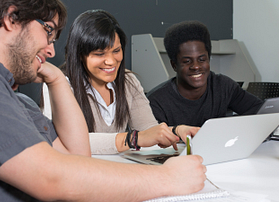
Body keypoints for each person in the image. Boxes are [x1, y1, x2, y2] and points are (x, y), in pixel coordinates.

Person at [0, 0, 206, 202]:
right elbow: (51, 176)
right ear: (11, 18)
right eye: (48, 31)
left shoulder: (14, 100)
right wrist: (168, 179)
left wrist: (57, 80)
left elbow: (76, 155)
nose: (50, 49)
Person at [43, 9, 200, 155]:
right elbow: (63, 142)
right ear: (79, 55)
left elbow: (148, 130)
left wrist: (175, 132)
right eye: (99, 54)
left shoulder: (128, 80)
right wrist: (133, 139)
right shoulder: (59, 84)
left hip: (116, 170)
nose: (111, 61)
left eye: (116, 51)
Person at [147, 20, 264, 127]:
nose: (196, 66)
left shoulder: (223, 85)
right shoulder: (156, 101)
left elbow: (260, 110)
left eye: (202, 59)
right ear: (174, 65)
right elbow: (152, 143)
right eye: (187, 61)